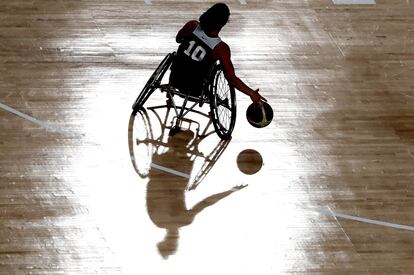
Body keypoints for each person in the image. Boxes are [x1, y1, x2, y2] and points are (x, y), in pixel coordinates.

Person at [169, 3, 266, 105]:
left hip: (175, 79)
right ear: (222, 24)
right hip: (196, 89)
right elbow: (231, 79)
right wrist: (251, 93)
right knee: (211, 64)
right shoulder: (221, 48)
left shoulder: (192, 25)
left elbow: (178, 39)